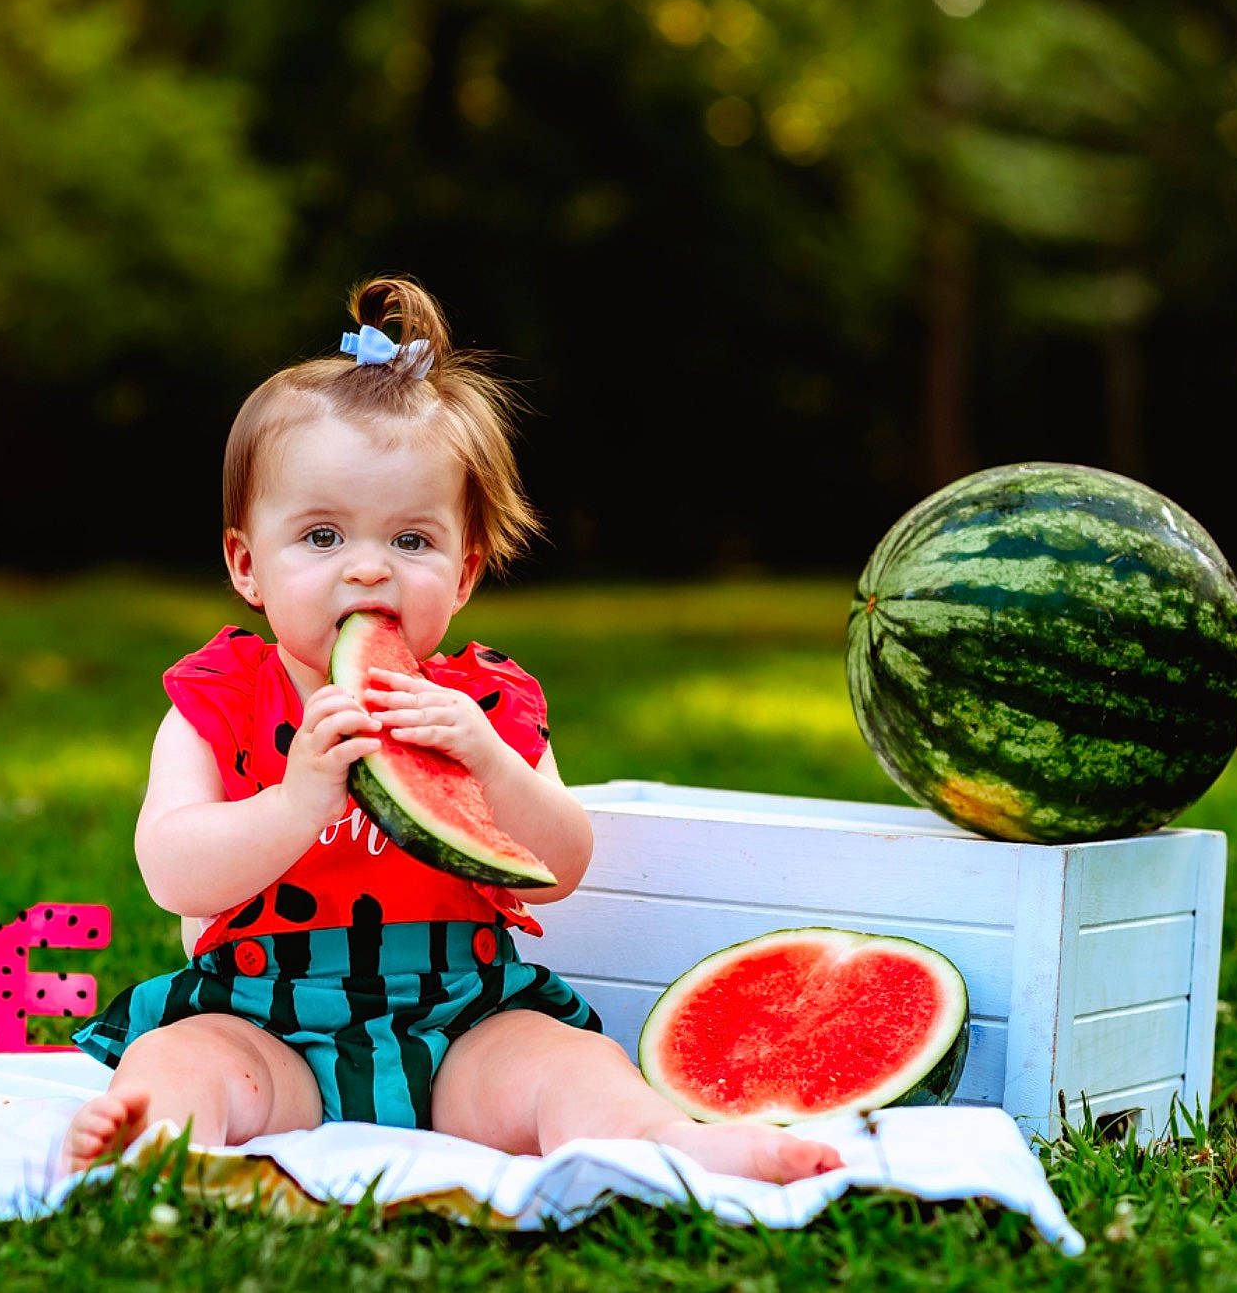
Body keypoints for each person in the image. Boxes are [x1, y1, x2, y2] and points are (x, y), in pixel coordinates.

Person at [65, 278, 841, 1184]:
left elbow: (559, 865)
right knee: (183, 1058)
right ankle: (155, 1137)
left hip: (459, 1019)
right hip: (262, 1015)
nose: (367, 569)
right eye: (321, 537)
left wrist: (486, 760)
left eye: (410, 541)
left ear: (464, 571)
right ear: (247, 563)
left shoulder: (486, 706)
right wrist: (297, 799)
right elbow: (170, 870)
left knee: (571, 1064)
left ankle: (668, 1142)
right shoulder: (220, 699)